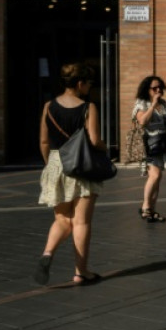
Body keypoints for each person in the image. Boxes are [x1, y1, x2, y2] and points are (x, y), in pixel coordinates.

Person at [34, 62, 104, 285]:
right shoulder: (88, 107)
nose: (89, 88)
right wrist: (105, 149)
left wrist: (50, 164)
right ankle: (80, 272)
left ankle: (47, 253)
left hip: (56, 163)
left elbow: (44, 141)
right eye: (89, 83)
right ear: (80, 83)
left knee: (62, 219)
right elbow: (94, 140)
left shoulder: (48, 106)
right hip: (81, 165)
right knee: (81, 222)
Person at [133, 76, 166, 222]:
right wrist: (153, 105)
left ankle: (151, 209)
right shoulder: (141, 103)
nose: (158, 90)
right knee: (154, 175)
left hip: (162, 143)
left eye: (160, 87)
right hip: (149, 144)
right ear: (147, 90)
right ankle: (145, 208)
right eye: (154, 88)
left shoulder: (164, 104)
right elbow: (142, 121)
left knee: (157, 177)